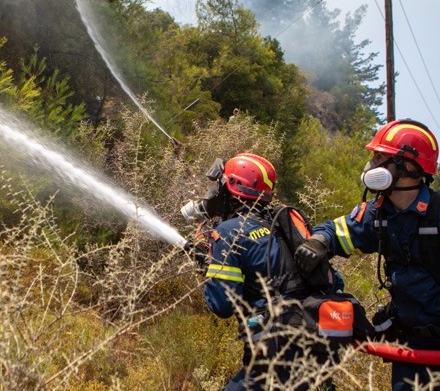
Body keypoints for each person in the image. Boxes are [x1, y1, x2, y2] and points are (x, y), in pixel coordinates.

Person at [294, 119, 440, 391]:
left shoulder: (437, 213)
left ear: (408, 166)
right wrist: (319, 241)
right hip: (411, 349)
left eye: (380, 157)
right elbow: (338, 231)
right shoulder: (378, 214)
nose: (371, 165)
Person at [182, 153, 337, 390]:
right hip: (315, 346)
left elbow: (222, 305)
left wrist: (209, 271)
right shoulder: (280, 223)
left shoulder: (229, 232)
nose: (214, 193)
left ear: (232, 188)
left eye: (220, 186)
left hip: (277, 357)